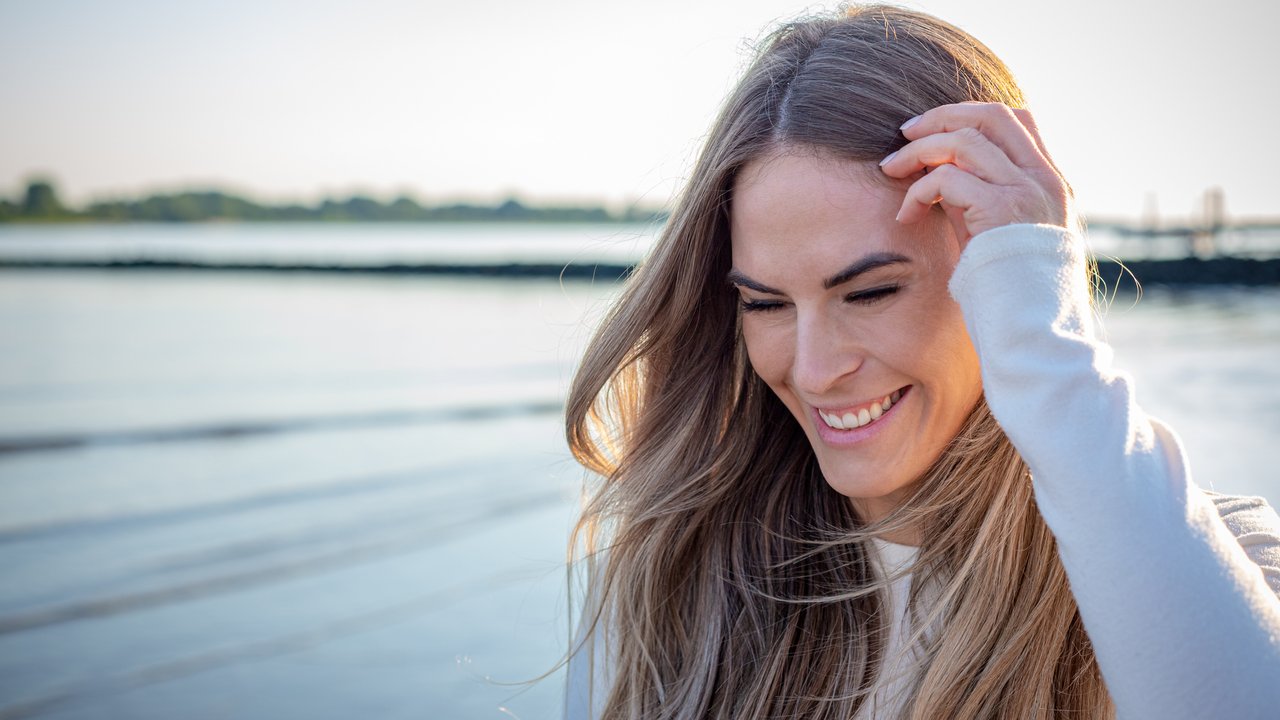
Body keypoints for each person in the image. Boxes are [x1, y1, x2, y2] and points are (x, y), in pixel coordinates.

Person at [562, 5, 1280, 719]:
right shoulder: (663, 577)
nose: (813, 371)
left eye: (870, 292)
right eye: (765, 304)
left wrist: (1046, 340)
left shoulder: (1214, 563)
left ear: (1002, 277)